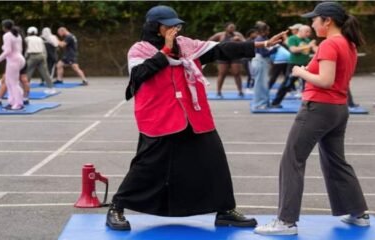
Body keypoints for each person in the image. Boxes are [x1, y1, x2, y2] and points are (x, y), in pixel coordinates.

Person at [105, 5, 287, 231]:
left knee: (214, 160)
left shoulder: (187, 46)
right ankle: (117, 207)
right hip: (159, 117)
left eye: (176, 25)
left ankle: (225, 210)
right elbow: (140, 75)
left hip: (193, 115)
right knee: (147, 166)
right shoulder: (140, 50)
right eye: (169, 26)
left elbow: (222, 49)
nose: (175, 29)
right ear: (155, 28)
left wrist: (262, 44)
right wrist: (165, 50)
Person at [255, 2, 369, 235]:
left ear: (327, 21)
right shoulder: (349, 43)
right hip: (338, 109)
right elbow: (336, 79)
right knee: (336, 161)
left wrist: (301, 72)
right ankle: (358, 213)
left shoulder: (330, 44)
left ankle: (286, 222)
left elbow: (326, 80)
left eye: (314, 20)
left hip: (318, 108)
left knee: (292, 160)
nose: (311, 23)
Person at [271, 25, 317, 108]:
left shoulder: (307, 40)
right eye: (307, 31)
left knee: (307, 85)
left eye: (309, 32)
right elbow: (293, 50)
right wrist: (308, 46)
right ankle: (275, 102)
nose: (308, 34)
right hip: (294, 65)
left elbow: (314, 51)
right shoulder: (293, 38)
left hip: (305, 66)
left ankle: (307, 104)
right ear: (300, 31)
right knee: (287, 84)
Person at [0, 19, 25, 110]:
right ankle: (12, 102)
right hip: (18, 59)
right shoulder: (17, 34)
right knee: (9, 82)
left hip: (14, 60)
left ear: (4, 27)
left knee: (13, 83)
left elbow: (8, 51)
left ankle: (18, 103)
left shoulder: (7, 35)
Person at [209, 22, 245, 97]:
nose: (233, 29)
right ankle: (218, 91)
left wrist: (240, 40)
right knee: (222, 73)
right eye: (231, 27)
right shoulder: (220, 35)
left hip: (235, 56)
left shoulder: (238, 35)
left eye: (233, 27)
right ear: (226, 28)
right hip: (223, 56)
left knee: (237, 73)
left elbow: (245, 42)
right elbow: (209, 41)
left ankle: (240, 91)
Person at [252, 22, 278, 109]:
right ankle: (259, 104)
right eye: (267, 30)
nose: (269, 32)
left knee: (264, 83)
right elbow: (264, 53)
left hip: (262, 62)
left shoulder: (263, 38)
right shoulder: (260, 39)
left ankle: (265, 102)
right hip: (260, 61)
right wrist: (275, 49)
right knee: (260, 84)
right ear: (263, 31)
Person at [25, 26, 55, 94]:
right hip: (41, 56)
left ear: (28, 32)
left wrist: (25, 57)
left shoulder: (27, 39)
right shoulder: (40, 39)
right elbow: (44, 49)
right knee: (45, 73)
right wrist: (45, 57)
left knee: (28, 72)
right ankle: (51, 88)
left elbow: (26, 49)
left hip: (32, 56)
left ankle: (25, 89)